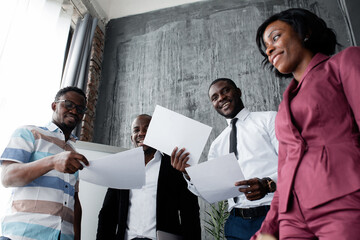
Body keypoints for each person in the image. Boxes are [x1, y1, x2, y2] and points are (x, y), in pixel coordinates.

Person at [252, 8, 360, 240]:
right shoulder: (284, 105)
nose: (269, 49)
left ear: (305, 32)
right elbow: (285, 168)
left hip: (343, 198)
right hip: (292, 216)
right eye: (266, 46)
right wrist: (269, 227)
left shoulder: (343, 62)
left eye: (276, 37)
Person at [171, 78, 278, 240]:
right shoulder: (217, 145)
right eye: (214, 98)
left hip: (272, 214)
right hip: (236, 224)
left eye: (225, 91)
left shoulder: (269, 119)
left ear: (238, 92)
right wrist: (188, 174)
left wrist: (268, 183)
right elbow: (212, 191)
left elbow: (293, 163)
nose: (220, 98)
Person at [0, 86, 89, 240]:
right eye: (68, 104)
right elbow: (7, 177)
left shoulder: (73, 150)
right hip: (23, 236)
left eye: (80, 109)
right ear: (54, 105)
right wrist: (52, 161)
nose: (74, 111)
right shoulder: (29, 133)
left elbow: (75, 201)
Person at [96, 114, 201, 240]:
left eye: (147, 129)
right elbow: (108, 214)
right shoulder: (122, 167)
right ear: (131, 138)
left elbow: (189, 212)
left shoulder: (174, 165)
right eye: (136, 130)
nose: (141, 133)